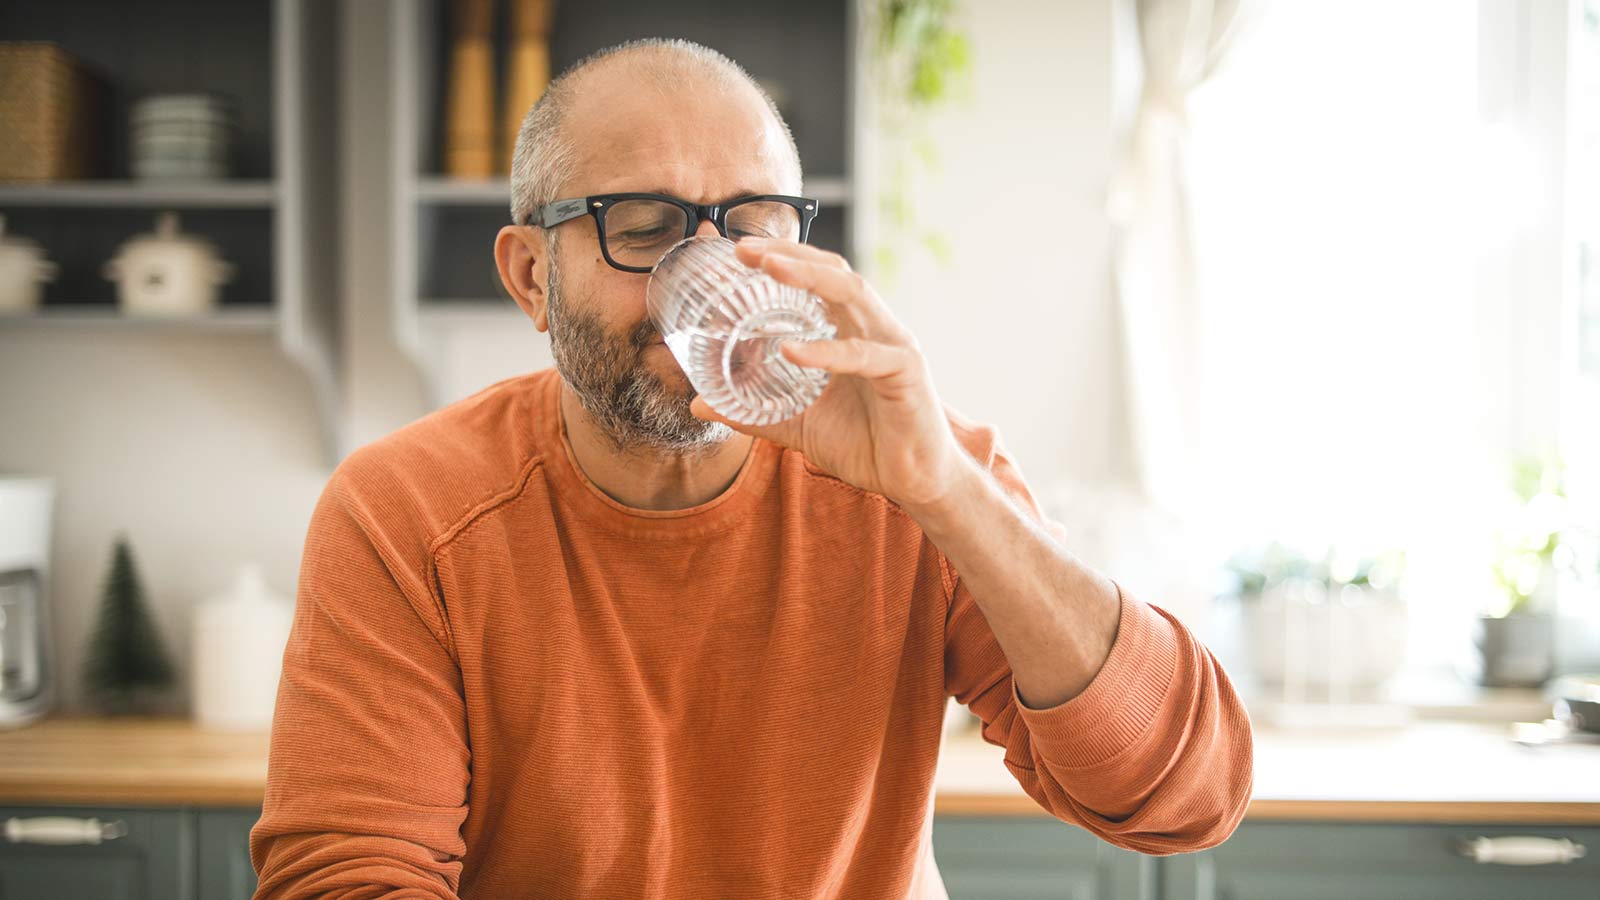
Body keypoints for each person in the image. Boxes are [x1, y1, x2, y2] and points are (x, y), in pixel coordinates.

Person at [249, 37, 1253, 900]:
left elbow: (1185, 797)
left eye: (754, 222)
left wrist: (946, 492)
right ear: (529, 276)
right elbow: (347, 876)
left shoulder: (919, 473)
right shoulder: (409, 512)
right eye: (642, 228)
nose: (711, 271)